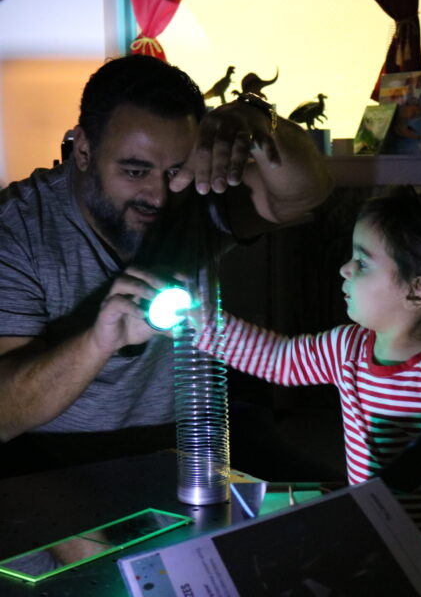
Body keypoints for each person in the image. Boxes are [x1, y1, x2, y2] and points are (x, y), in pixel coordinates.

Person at [0, 54, 332, 474]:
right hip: (60, 461)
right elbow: (5, 414)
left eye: (175, 171)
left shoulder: (193, 195)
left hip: (197, 440)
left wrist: (258, 118)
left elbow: (307, 192)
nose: (158, 196)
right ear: (83, 149)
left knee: (341, 512)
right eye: (136, 171)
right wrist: (99, 342)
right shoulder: (17, 231)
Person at [193, 187, 421, 525]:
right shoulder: (346, 348)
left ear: (416, 291)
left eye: (363, 263)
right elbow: (281, 360)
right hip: (373, 524)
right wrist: (201, 322)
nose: (345, 269)